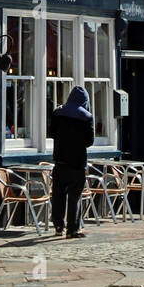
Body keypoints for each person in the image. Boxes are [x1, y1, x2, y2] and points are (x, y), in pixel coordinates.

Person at [49, 86, 95, 238]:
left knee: (58, 195)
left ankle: (58, 226)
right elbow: (89, 141)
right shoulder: (87, 117)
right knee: (75, 197)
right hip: (77, 162)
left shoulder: (57, 112)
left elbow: (51, 133)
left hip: (60, 161)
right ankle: (72, 229)